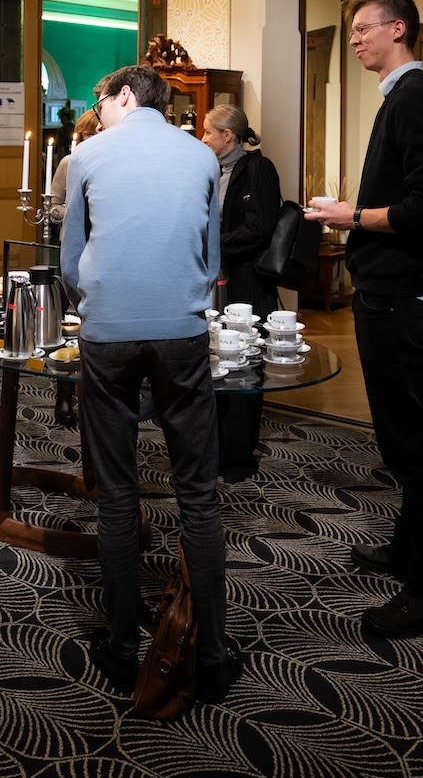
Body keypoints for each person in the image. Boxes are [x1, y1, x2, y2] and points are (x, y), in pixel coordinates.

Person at [60, 63, 243, 704]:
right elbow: (212, 258)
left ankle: (119, 648)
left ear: (124, 96)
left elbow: (70, 262)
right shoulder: (201, 157)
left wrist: (102, 304)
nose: (97, 113)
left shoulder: (87, 156)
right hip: (181, 331)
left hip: (108, 333)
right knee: (198, 494)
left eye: (100, 102)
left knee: (117, 494)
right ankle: (212, 654)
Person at [306, 0, 423, 640]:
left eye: (363, 28)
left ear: (398, 29)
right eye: (351, 31)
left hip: (399, 294)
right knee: (400, 437)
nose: (354, 39)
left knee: (414, 443)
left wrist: (352, 217)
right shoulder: (402, 96)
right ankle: (406, 547)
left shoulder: (416, 97)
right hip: (387, 289)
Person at [201, 104, 281, 480]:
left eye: (208, 132)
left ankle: (238, 457)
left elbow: (259, 228)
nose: (203, 139)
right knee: (215, 365)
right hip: (214, 282)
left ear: (227, 136)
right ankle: (214, 449)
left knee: (244, 369)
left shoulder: (259, 169)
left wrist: (213, 245)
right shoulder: (211, 171)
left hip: (248, 284)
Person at [48, 107, 101, 427]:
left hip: (104, 250)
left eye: (99, 132)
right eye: (88, 133)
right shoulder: (69, 163)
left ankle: (96, 395)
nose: (93, 138)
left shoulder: (111, 162)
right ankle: (64, 394)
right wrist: (74, 210)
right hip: (74, 248)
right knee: (71, 324)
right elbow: (52, 207)